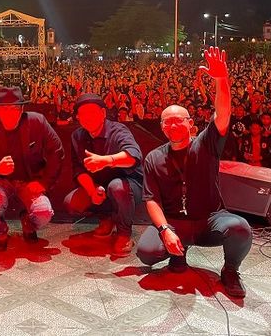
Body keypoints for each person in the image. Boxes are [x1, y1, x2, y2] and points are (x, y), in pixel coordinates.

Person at [136, 47, 252, 298]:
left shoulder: (205, 143)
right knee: (146, 252)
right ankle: (178, 255)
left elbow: (223, 113)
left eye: (180, 120)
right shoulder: (154, 157)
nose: (174, 125)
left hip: (209, 220)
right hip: (175, 221)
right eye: (168, 121)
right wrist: (165, 230)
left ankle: (231, 270)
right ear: (162, 127)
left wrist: (221, 80)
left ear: (191, 124)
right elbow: (151, 199)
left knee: (240, 228)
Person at [0, 86, 64, 251]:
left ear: (22, 109)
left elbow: (57, 152)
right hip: (1, 183)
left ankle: (28, 223)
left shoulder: (37, 122)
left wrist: (45, 183)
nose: (9, 113)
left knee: (44, 212)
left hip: (29, 181)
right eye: (4, 108)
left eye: (14, 108)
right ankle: (0, 230)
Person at [63, 93, 143, 256]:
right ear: (78, 117)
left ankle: (124, 233)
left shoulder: (118, 130)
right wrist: (92, 191)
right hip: (101, 185)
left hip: (129, 185)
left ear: (103, 113)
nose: (88, 117)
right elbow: (78, 169)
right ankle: (106, 219)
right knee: (72, 202)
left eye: (92, 112)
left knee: (117, 187)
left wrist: (107, 160)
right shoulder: (77, 136)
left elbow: (134, 156)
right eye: (83, 114)